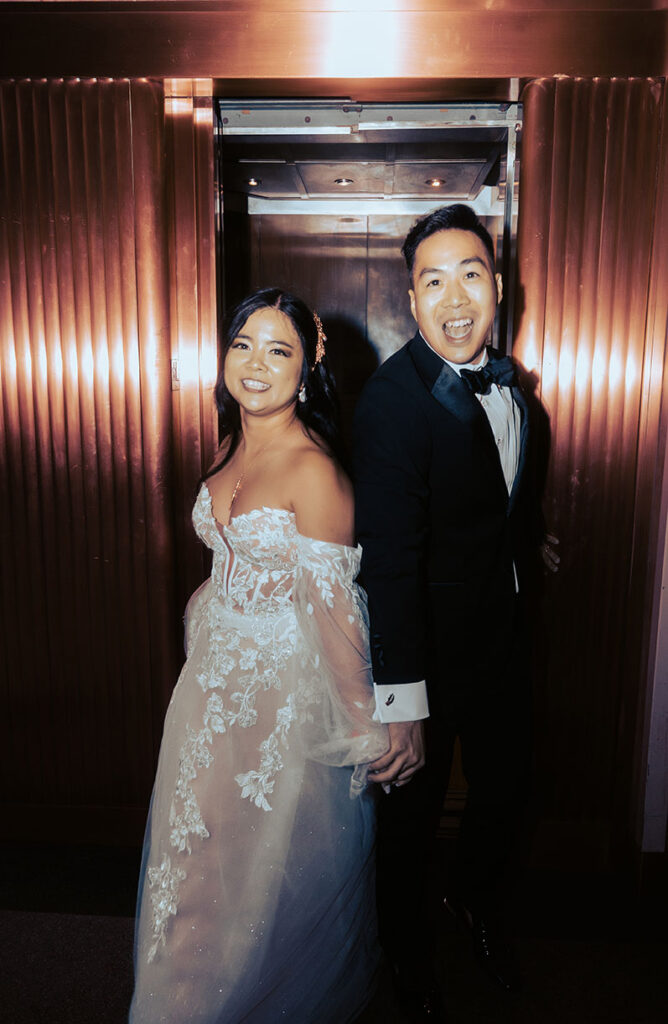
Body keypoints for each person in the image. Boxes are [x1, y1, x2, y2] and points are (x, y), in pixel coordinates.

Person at [130, 288, 388, 1023]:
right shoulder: (231, 442)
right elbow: (231, 557)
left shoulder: (313, 471)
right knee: (193, 856)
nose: (255, 363)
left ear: (305, 370)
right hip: (209, 687)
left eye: (279, 350)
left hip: (278, 703)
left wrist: (366, 729)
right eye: (243, 343)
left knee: (253, 879)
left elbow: (339, 616)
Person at [354, 205, 554, 1022]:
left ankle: (472, 906)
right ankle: (405, 952)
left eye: (471, 272)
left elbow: (494, 500)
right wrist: (400, 709)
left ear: (497, 286)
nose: (455, 296)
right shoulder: (390, 403)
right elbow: (391, 563)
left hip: (503, 644)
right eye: (433, 280)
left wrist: (525, 541)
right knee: (412, 819)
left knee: (506, 792)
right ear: (411, 300)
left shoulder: (517, 391)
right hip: (425, 655)